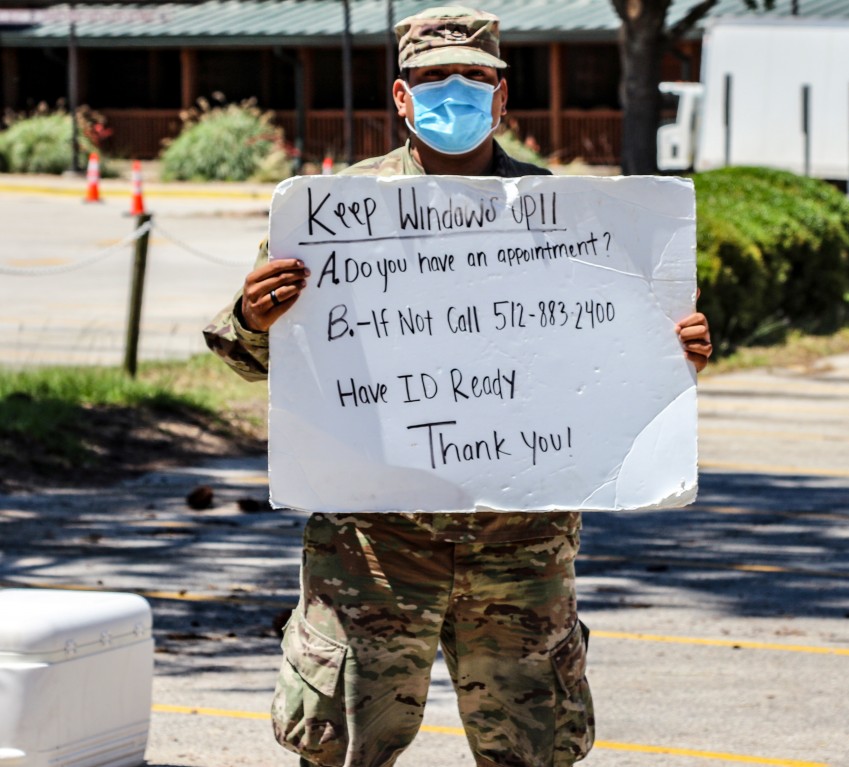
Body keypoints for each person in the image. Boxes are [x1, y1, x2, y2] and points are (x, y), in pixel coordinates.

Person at [202, 7, 713, 766]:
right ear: (401, 98)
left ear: (503, 100)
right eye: (433, 78)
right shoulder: (330, 218)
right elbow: (251, 359)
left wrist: (670, 357)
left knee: (536, 752)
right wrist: (252, 316)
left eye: (474, 78)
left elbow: (605, 374)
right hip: (372, 542)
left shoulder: (571, 222)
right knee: (341, 749)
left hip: (520, 546)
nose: (454, 94)